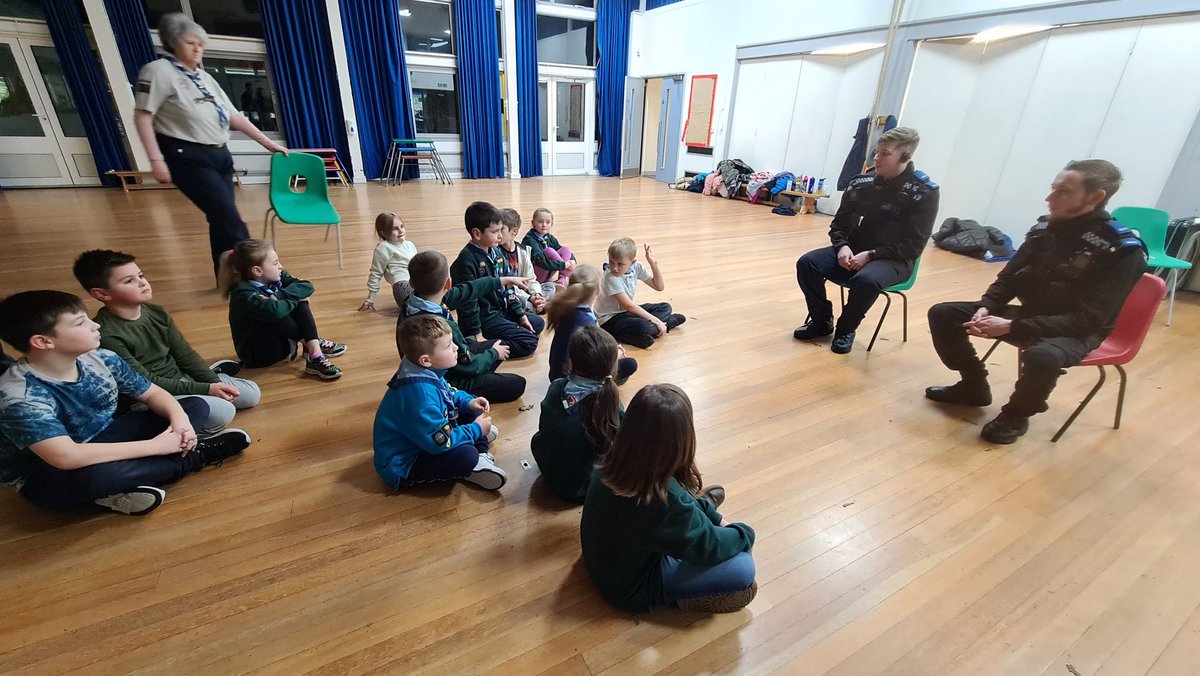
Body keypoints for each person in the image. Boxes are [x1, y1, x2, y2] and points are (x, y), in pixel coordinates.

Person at [925, 159, 1147, 444]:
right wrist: (987, 306)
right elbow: (1009, 278)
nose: (1049, 198)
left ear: (1095, 198)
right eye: (1053, 188)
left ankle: (1016, 415)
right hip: (1029, 314)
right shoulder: (1045, 228)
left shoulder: (1121, 249)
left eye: (1063, 192)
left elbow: (1088, 320)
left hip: (1075, 330)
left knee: (1043, 356)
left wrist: (1010, 327)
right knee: (944, 314)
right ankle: (973, 386)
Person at [0, 290, 250, 515]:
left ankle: (132, 481)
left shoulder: (101, 358)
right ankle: (193, 458)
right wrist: (157, 446)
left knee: (195, 406)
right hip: (49, 471)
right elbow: (66, 457)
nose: (95, 324)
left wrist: (180, 421)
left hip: (108, 435)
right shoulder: (19, 395)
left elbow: (153, 393)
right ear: (43, 341)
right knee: (97, 479)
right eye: (80, 323)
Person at [133, 13, 287, 279]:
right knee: (231, 219)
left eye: (200, 44)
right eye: (190, 43)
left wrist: (267, 143)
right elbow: (143, 115)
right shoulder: (158, 71)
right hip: (187, 156)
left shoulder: (205, 78)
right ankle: (256, 277)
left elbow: (234, 117)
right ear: (173, 43)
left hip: (218, 155)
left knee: (220, 219)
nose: (197, 49)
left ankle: (226, 277)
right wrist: (156, 160)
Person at [580, 383, 756, 613]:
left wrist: (712, 515)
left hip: (604, 560)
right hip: (631, 588)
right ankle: (681, 598)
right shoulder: (663, 498)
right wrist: (744, 532)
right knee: (743, 569)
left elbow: (677, 495)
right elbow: (709, 546)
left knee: (690, 510)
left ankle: (701, 511)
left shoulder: (614, 458)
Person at [73, 249, 260, 436]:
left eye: (140, 275)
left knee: (252, 394)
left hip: (181, 378)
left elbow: (184, 354)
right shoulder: (106, 335)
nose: (142, 283)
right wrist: (208, 389)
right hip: (151, 396)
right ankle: (195, 436)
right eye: (129, 281)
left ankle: (211, 375)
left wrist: (213, 382)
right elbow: (146, 381)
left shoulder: (156, 312)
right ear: (101, 294)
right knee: (224, 411)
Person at [793, 127, 940, 354]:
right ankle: (822, 321)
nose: (876, 158)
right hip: (854, 251)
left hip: (894, 259)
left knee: (865, 280)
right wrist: (842, 246)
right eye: (876, 152)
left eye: (885, 153)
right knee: (807, 263)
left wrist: (872, 255)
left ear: (906, 156)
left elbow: (913, 246)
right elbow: (839, 225)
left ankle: (846, 330)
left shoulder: (923, 192)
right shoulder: (862, 183)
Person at [374, 315, 506, 491]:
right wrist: (475, 430)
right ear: (426, 360)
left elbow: (447, 391)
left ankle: (480, 446)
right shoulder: (421, 398)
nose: (456, 347)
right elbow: (440, 444)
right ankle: (475, 459)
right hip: (404, 463)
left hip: (425, 436)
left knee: (473, 404)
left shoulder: (422, 369)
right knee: (467, 456)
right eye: (448, 346)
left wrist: (468, 402)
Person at [401, 251, 529, 404]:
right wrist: (493, 354)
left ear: (411, 283)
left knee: (499, 346)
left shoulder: (414, 302)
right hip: (449, 379)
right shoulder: (438, 325)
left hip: (443, 361)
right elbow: (466, 367)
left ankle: (483, 368)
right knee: (517, 384)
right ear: (448, 283)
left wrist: (503, 280)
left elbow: (468, 289)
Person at [218, 240, 346, 380]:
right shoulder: (243, 293)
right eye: (275, 263)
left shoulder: (276, 277)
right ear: (257, 271)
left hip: (282, 346)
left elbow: (307, 286)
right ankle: (311, 342)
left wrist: (278, 296)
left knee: (293, 303)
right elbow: (274, 312)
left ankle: (314, 352)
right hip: (258, 355)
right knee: (279, 309)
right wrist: (293, 299)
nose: (281, 266)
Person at [531, 326, 624, 502]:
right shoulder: (611, 403)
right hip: (579, 489)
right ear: (613, 367)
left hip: (548, 467)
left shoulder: (556, 387)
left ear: (570, 363)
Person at [450, 201, 545, 359]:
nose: (500, 236)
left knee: (537, 323)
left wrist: (520, 315)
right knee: (529, 342)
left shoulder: (497, 254)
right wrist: (477, 334)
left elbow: (509, 289)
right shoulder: (465, 261)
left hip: (501, 311)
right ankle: (478, 346)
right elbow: (468, 304)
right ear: (477, 234)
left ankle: (507, 332)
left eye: (501, 230)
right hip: (484, 319)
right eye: (495, 232)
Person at [545, 264, 637, 384]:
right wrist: (615, 356)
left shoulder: (566, 309)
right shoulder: (587, 323)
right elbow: (596, 360)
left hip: (556, 376)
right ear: (598, 291)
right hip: (572, 382)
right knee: (630, 364)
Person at [595, 237, 685, 349]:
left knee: (665, 307)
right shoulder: (611, 277)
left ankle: (635, 334)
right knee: (644, 326)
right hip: (609, 319)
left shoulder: (637, 267)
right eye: (611, 261)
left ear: (632, 262)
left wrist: (654, 264)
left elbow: (659, 286)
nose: (614, 267)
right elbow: (629, 306)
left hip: (625, 312)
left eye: (620, 264)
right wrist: (657, 321)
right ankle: (667, 324)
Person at [358, 212, 418, 312]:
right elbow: (376, 273)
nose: (401, 231)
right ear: (383, 233)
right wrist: (371, 298)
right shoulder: (383, 248)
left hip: (419, 283)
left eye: (402, 226)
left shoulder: (410, 245)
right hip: (402, 285)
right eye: (395, 229)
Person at [498, 208, 545, 314]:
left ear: (514, 231)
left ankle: (537, 304)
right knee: (513, 299)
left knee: (549, 287)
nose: (498, 234)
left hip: (525, 292)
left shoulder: (523, 251)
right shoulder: (497, 253)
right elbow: (506, 286)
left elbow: (531, 278)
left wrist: (537, 294)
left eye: (501, 229)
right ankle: (536, 307)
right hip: (511, 293)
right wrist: (528, 298)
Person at [522, 207, 576, 297]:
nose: (544, 225)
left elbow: (561, 249)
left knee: (566, 249)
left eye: (547, 222)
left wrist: (572, 260)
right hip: (533, 276)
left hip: (547, 272)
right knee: (549, 251)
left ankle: (561, 279)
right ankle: (565, 276)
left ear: (551, 224)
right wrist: (564, 265)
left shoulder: (549, 237)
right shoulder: (530, 239)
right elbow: (542, 262)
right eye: (540, 222)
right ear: (533, 223)